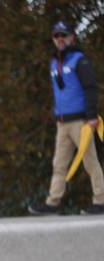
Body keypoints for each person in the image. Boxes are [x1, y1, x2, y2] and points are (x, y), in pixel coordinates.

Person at [28, 21, 104, 216]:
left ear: (72, 37)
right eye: (56, 35)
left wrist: (91, 116)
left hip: (81, 122)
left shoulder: (80, 60)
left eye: (64, 35)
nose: (60, 39)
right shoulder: (54, 62)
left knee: (90, 162)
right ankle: (52, 202)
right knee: (59, 164)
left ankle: (101, 200)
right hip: (62, 123)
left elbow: (91, 88)